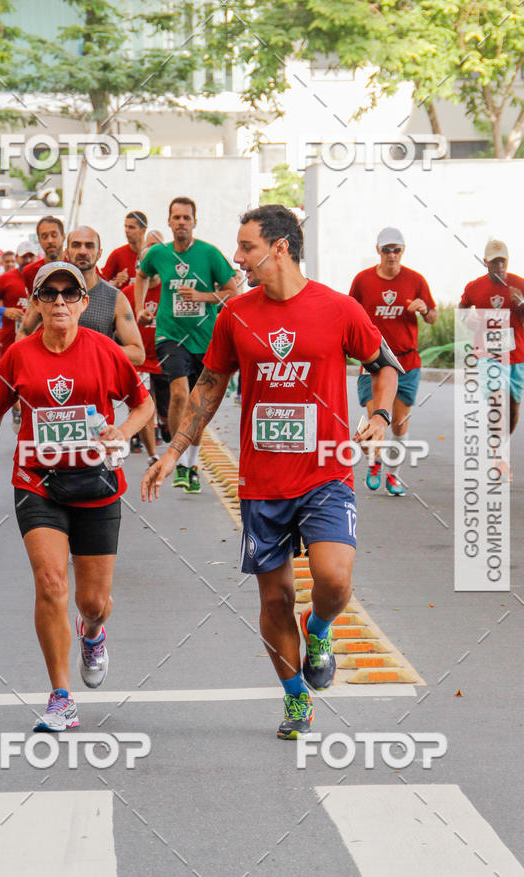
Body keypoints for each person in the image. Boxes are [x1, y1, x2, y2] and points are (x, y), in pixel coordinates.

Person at [142, 205, 400, 739]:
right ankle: (294, 697)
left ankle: (321, 629)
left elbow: (385, 367)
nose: (237, 258)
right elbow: (209, 385)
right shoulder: (236, 315)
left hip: (327, 473)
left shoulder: (336, 308)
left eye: (247, 248)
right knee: (275, 599)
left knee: (333, 578)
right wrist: (174, 449)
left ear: (280, 247)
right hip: (262, 483)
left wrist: (378, 414)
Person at [0, 261, 154, 731]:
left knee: (93, 602)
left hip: (96, 483)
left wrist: (121, 433)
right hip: (37, 482)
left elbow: (144, 404)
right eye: (50, 293)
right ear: (36, 302)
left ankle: (94, 632)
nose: (59, 301)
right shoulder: (19, 355)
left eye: (69, 293)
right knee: (50, 583)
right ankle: (61, 697)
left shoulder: (105, 351)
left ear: (83, 302)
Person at [135, 197, 238, 494]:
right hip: (169, 335)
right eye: (176, 217)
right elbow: (142, 276)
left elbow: (233, 292)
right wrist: (141, 308)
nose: (181, 222)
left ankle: (189, 465)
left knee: (198, 405)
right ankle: (179, 459)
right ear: (168, 222)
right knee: (179, 393)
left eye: (186, 218)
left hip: (205, 339)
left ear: (195, 222)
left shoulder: (209, 254)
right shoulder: (158, 253)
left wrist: (203, 298)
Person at [349, 227, 437, 496]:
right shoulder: (363, 281)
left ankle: (394, 475)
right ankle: (374, 462)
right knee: (376, 415)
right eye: (386, 249)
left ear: (403, 251)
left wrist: (424, 309)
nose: (392, 255)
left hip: (406, 361)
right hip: (373, 360)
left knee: (399, 422)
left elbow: (432, 315)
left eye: (396, 249)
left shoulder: (415, 280)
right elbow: (349, 313)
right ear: (378, 251)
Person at [17, 226, 145, 366]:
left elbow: (138, 354)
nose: (82, 251)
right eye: (76, 245)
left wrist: (93, 349)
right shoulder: (47, 292)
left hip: (96, 382)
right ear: (66, 252)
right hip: (54, 381)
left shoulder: (114, 297)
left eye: (89, 246)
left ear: (99, 253)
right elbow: (23, 334)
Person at [459, 238, 524, 456]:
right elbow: (463, 309)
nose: (499, 267)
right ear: (486, 262)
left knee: (513, 408)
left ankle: (500, 441)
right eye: (495, 262)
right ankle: (499, 455)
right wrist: (468, 320)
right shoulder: (474, 287)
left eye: (503, 262)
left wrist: (521, 305)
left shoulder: (519, 285)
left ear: (508, 261)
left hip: (517, 354)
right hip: (489, 353)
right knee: (497, 400)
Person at [124, 230, 171, 465]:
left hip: (164, 357)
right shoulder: (126, 295)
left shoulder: (170, 290)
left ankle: (165, 423)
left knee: (166, 413)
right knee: (144, 405)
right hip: (139, 359)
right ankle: (153, 455)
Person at [0, 241, 37, 431]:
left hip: (38, 337)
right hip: (10, 337)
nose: (28, 260)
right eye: (24, 256)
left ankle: (34, 414)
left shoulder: (44, 276)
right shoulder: (6, 279)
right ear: (17, 259)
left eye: (31, 256)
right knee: (14, 377)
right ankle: (18, 409)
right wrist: (4, 311)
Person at [101, 211, 147, 288]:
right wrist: (116, 282)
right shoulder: (117, 254)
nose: (127, 231)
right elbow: (101, 285)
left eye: (131, 227)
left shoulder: (153, 254)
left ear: (143, 230)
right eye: (125, 227)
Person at [21, 216, 65, 295]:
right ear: (39, 240)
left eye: (54, 235)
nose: (49, 241)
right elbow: (32, 302)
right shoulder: (29, 272)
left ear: (63, 237)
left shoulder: (77, 268)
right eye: (44, 237)